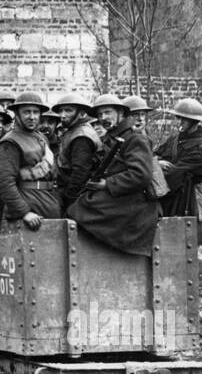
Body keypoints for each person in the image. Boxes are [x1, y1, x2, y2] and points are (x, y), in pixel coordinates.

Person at [66, 94, 160, 256]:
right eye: (100, 115)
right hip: (120, 197)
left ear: (121, 114)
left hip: (135, 202)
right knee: (80, 203)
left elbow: (141, 175)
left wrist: (106, 184)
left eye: (108, 113)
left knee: (79, 210)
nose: (103, 118)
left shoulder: (134, 139)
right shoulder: (113, 138)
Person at [0, 91, 61, 229]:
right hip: (29, 206)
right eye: (26, 112)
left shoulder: (42, 138)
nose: (32, 117)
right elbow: (4, 182)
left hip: (49, 201)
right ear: (17, 114)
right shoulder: (10, 142)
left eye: (36, 112)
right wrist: (24, 212)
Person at [155, 98, 202, 218]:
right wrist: (157, 163)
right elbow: (155, 153)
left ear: (194, 121)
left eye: (184, 119)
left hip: (188, 202)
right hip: (169, 198)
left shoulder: (201, 148)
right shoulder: (175, 139)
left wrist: (153, 167)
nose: (180, 122)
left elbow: (175, 173)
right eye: (179, 118)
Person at [54, 92, 102, 210]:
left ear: (81, 113)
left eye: (68, 110)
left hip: (77, 195)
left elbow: (80, 173)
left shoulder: (81, 137)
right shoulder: (74, 130)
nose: (62, 115)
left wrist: (68, 199)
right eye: (61, 111)